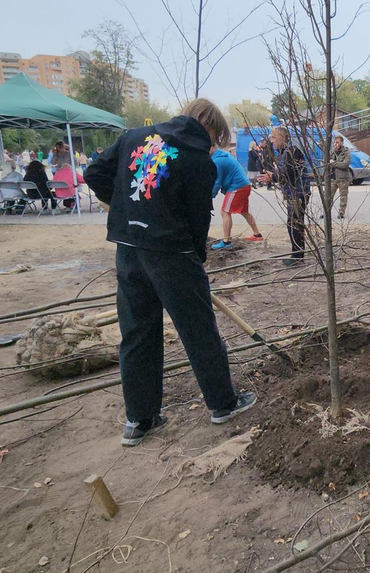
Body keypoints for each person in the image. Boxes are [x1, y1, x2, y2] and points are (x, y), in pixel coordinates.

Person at [84, 98, 256, 447]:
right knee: (198, 330)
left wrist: (123, 206)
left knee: (137, 332)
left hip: (129, 250)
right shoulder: (198, 160)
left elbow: (94, 173)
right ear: (207, 125)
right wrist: (196, 256)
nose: (212, 145)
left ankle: (140, 419)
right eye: (215, 137)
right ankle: (223, 403)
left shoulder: (134, 136)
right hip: (172, 255)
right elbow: (197, 220)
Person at [257, 127, 310, 266]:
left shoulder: (291, 151)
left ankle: (297, 257)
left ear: (282, 137)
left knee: (294, 225)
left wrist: (273, 176)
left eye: (274, 137)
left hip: (298, 192)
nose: (272, 140)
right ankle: (297, 254)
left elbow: (289, 172)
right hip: (294, 191)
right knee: (294, 224)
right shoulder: (285, 152)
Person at [210, 145, 263, 250]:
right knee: (244, 211)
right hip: (244, 185)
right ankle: (257, 235)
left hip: (237, 187)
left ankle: (226, 241)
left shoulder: (218, 161)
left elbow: (217, 181)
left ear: (212, 147)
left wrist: (210, 196)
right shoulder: (222, 155)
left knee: (225, 212)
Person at [330, 134, 352, 219]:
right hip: (332, 177)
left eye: (337, 142)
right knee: (328, 196)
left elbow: (345, 165)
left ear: (342, 143)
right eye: (335, 142)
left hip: (342, 178)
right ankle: (326, 212)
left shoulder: (346, 152)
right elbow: (327, 162)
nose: (335, 144)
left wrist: (334, 163)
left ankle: (341, 212)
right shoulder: (332, 151)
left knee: (343, 195)